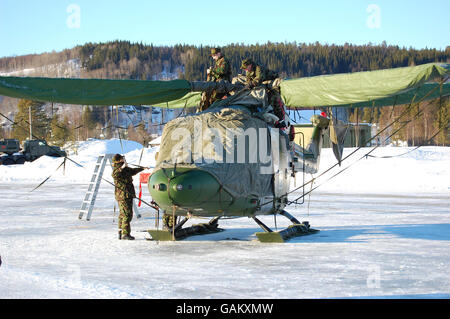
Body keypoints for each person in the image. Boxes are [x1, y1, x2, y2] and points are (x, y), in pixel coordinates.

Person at [111, 153, 145, 240]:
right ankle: (125, 234)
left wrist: (142, 168)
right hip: (123, 196)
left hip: (127, 195)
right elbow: (115, 174)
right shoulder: (117, 170)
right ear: (118, 161)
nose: (123, 161)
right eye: (122, 159)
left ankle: (120, 232)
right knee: (127, 214)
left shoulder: (125, 169)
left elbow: (133, 171)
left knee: (123, 214)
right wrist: (122, 167)